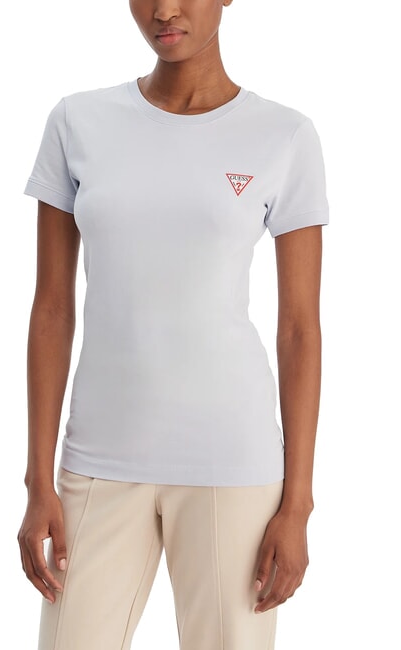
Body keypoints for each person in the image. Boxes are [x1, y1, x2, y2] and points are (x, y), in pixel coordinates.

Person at [17, 1, 329, 648]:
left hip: (232, 465)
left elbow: (300, 328)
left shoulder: (284, 135)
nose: (163, 10)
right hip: (97, 461)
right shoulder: (78, 121)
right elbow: (51, 309)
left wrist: (297, 503)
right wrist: (36, 481)